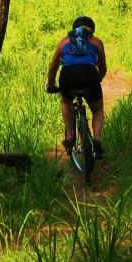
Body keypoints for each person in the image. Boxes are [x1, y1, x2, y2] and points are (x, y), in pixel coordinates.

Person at [45, 14, 107, 161]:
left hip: (68, 76)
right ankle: (97, 139)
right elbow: (102, 68)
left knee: (66, 102)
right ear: (92, 30)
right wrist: (97, 79)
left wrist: (51, 84)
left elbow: (53, 66)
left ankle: (70, 134)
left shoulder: (64, 42)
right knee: (97, 110)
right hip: (89, 74)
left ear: (74, 29)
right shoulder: (97, 42)